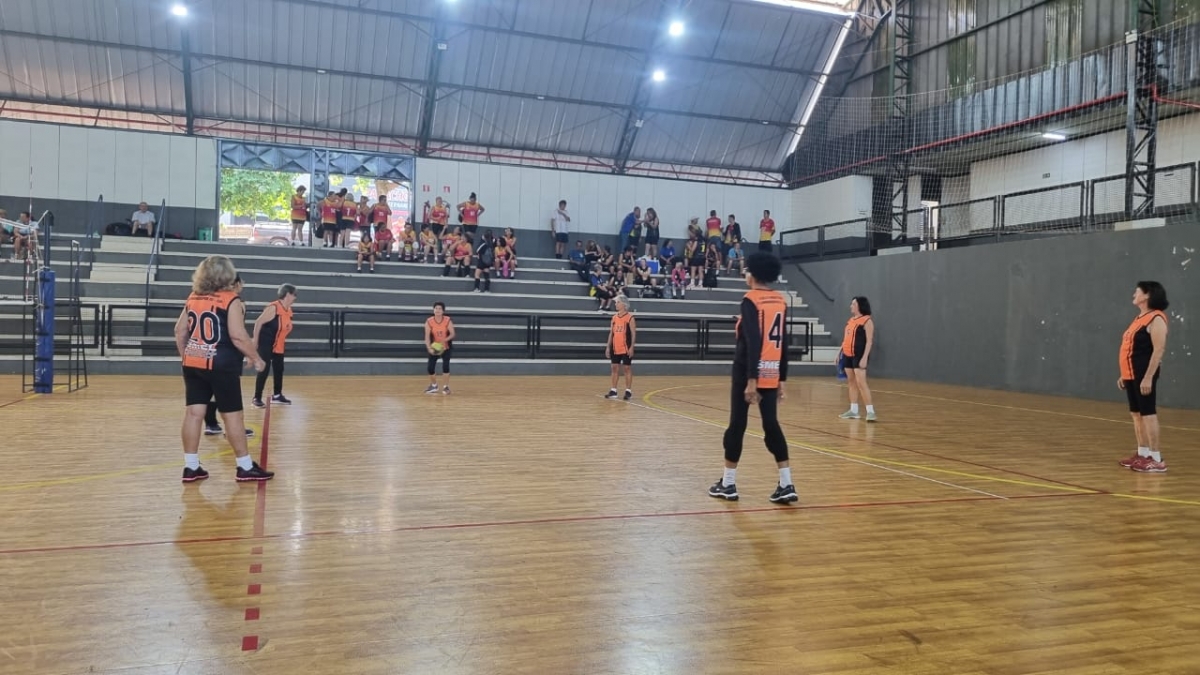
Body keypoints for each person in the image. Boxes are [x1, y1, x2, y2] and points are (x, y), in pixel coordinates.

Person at [174, 256, 273, 482]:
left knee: (193, 413)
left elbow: (179, 331)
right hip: (221, 363)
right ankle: (245, 466)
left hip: (194, 361)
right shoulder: (231, 300)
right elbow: (238, 336)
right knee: (232, 415)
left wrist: (186, 356)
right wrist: (256, 358)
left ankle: (191, 467)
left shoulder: (193, 297)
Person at [708, 253, 795, 504]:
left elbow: (753, 341)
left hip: (748, 371)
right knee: (771, 426)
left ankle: (728, 483)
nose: (745, 274)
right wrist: (781, 379)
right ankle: (787, 483)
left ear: (754, 274)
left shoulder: (750, 300)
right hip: (772, 371)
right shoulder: (779, 300)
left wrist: (751, 380)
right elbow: (783, 343)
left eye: (747, 271)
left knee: (737, 425)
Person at [1118, 281, 1170, 473]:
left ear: (1147, 295)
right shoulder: (1139, 318)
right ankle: (1143, 453)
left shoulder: (1156, 318)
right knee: (1136, 414)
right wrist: (1124, 374)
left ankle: (1156, 459)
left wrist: (1148, 377)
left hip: (1144, 373)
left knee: (1148, 414)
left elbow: (1159, 350)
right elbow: (1130, 349)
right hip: (1131, 373)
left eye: (1137, 292)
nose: (1134, 294)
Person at [251, 284, 297, 409]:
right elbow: (258, 322)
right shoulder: (274, 308)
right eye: (294, 294)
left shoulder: (288, 310)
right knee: (264, 369)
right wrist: (255, 340)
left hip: (278, 343)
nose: (295, 297)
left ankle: (277, 395)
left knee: (279, 368)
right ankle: (256, 398)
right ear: (287, 294)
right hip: (266, 342)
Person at [838, 297, 876, 422]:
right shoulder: (851, 320)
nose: (851, 306)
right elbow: (845, 339)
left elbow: (869, 341)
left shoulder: (867, 321)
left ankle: (870, 412)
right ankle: (853, 410)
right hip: (847, 354)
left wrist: (865, 357)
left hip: (859, 355)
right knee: (851, 382)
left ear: (860, 306)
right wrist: (839, 353)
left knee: (861, 383)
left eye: (853, 304)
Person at [604, 296, 636, 400]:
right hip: (615, 346)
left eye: (618, 302)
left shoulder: (630, 318)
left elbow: (633, 334)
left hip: (626, 347)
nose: (616, 304)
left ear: (624, 304)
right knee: (614, 367)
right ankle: (613, 390)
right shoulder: (614, 317)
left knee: (627, 368)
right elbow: (611, 333)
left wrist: (632, 347)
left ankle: (628, 391)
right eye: (616, 302)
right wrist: (608, 347)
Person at [424, 302, 456, 395]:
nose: (437, 310)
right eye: (436, 308)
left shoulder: (447, 320)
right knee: (430, 368)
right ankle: (434, 385)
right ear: (433, 310)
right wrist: (429, 348)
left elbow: (453, 334)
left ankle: (446, 387)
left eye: (440, 309)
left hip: (446, 347)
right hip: (435, 347)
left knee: (445, 367)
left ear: (443, 311)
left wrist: (444, 340)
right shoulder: (429, 321)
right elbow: (426, 337)